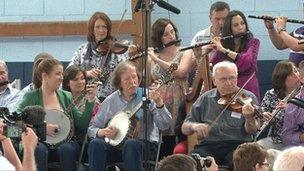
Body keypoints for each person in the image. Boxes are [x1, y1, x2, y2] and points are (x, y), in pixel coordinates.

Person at [87, 61, 172, 171]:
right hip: (117, 147)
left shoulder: (149, 96)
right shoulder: (110, 101)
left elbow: (165, 125)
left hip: (145, 145)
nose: (132, 82)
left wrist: (159, 103)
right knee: (96, 143)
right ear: (119, 83)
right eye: (127, 79)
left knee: (130, 144)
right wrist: (102, 132)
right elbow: (91, 128)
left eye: (134, 77)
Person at [17, 57, 97, 171]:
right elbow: (14, 124)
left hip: (65, 142)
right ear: (45, 76)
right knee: (38, 149)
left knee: (67, 149)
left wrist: (90, 101)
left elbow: (81, 125)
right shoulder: (30, 97)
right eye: (58, 74)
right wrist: (42, 129)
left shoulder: (66, 96)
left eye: (62, 74)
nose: (62, 78)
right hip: (40, 142)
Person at [182, 61, 260, 170]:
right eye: (223, 79)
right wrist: (194, 126)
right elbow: (184, 127)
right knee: (196, 162)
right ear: (214, 80)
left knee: (243, 162)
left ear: (237, 78)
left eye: (232, 78)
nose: (228, 83)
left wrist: (249, 118)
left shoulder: (248, 98)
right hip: (209, 146)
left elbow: (252, 131)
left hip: (238, 146)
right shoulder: (205, 99)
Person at [148, 18, 195, 158]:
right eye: (166, 34)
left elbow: (180, 72)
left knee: (175, 138)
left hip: (178, 101)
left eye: (172, 32)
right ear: (159, 37)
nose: (171, 36)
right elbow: (149, 80)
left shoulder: (185, 51)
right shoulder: (153, 54)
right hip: (159, 101)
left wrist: (157, 60)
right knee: (161, 142)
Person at [69, 11, 137, 102]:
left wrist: (131, 57)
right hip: (86, 99)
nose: (101, 30)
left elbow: (125, 71)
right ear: (92, 29)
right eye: (97, 27)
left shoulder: (115, 51)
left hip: (110, 99)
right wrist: (86, 73)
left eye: (104, 27)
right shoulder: (82, 50)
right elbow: (69, 72)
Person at [211, 10, 261, 101]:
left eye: (242, 23)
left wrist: (223, 50)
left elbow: (246, 62)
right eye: (236, 25)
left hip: (247, 88)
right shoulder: (223, 43)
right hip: (227, 89)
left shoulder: (253, 42)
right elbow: (215, 65)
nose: (240, 27)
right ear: (229, 28)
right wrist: (205, 53)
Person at [257, 60, 300, 150]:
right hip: (277, 139)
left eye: (296, 71)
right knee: (257, 147)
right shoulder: (272, 94)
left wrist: (291, 109)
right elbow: (262, 111)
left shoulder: (302, 94)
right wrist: (263, 115)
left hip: (298, 139)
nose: (296, 76)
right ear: (282, 79)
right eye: (290, 75)